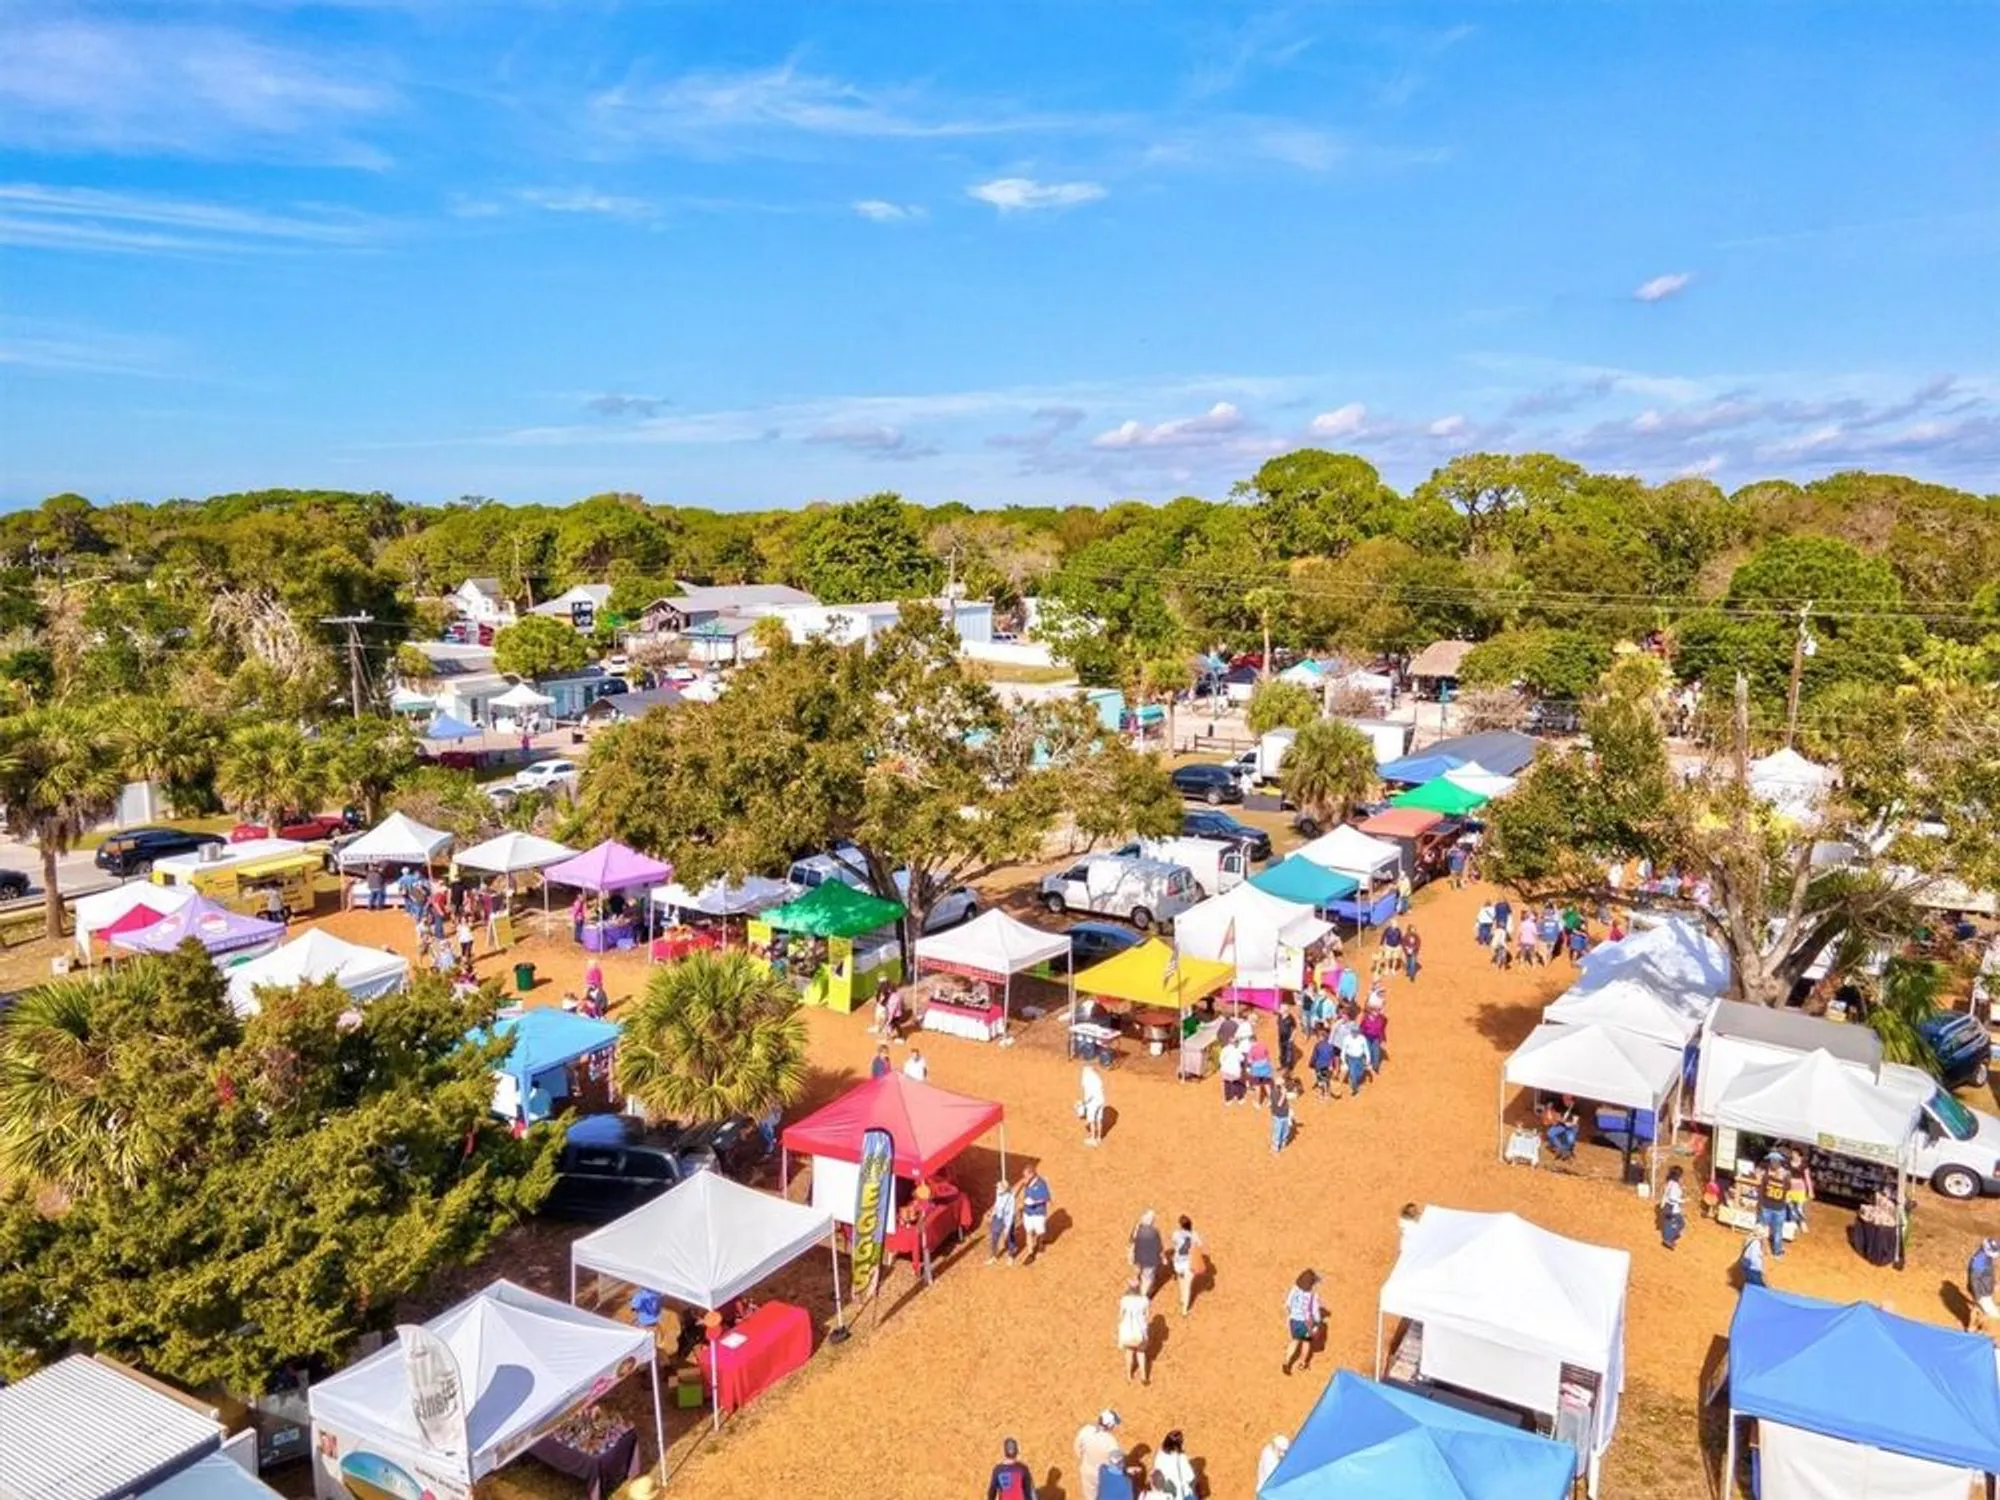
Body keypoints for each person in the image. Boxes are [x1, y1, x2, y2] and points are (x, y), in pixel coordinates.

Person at [1282, 1269, 1325, 1375]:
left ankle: (1286, 1361)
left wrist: (1292, 1315)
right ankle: (1302, 1363)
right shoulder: (1313, 1296)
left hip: (1294, 1321)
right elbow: (1315, 1313)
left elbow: (1287, 1305)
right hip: (1306, 1323)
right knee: (1306, 1342)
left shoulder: (1294, 1289)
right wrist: (1318, 1324)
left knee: (1295, 1341)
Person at [1074, 1412, 1124, 1500]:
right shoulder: (1111, 1443)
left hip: (1087, 1471)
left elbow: (1077, 1448)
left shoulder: (1086, 1430)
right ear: (1109, 1425)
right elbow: (1117, 1467)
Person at [1117, 1277, 1151, 1384]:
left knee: (1129, 1353)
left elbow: (1120, 1316)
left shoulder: (1124, 1300)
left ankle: (1129, 1376)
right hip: (1139, 1332)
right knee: (1141, 1352)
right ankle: (1144, 1376)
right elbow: (1147, 1316)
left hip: (1127, 1331)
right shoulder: (1144, 1300)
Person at [1757, 1152, 1791, 1256]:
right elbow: (1788, 1191)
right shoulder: (1786, 1178)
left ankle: (1763, 1249)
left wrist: (1760, 1203)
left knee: (1763, 1228)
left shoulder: (1766, 1177)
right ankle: (1777, 1252)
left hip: (1766, 1205)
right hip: (1779, 1207)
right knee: (1778, 1231)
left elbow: (1761, 1191)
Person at [1170, 1215, 1203, 1316]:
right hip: (1189, 1263)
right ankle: (1184, 1309)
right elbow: (1200, 1244)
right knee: (1187, 1286)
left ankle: (1182, 1299)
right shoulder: (1194, 1234)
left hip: (1178, 1263)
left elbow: (1174, 1243)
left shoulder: (1176, 1234)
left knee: (1181, 1281)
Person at [1148, 1430, 1195, 1499]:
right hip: (1181, 1495)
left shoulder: (1159, 1456)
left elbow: (1155, 1478)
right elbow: (1190, 1477)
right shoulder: (1181, 1457)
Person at [1019, 1166, 1052, 1265]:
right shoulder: (1026, 1183)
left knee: (1040, 1232)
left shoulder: (1042, 1183)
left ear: (1032, 1174)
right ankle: (1030, 1253)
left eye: (1026, 1175)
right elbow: (1024, 1194)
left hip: (1038, 1213)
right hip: (1027, 1212)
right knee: (1028, 1232)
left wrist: (1034, 1202)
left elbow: (1047, 1198)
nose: (1024, 1177)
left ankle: (1041, 1242)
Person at [1336, 1011, 1373, 1096]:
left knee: (1359, 1073)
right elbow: (1343, 1051)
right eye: (1353, 1031)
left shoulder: (1362, 1038)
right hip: (1351, 1058)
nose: (1355, 1033)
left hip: (1359, 1059)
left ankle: (1354, 1079)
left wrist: (1368, 1060)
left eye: (1356, 1031)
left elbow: (1366, 1049)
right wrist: (1344, 1062)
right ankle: (1355, 1089)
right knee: (1353, 1074)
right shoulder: (1347, 1039)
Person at [1967, 1237, 1999, 1332]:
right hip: (1981, 1292)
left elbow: (1987, 1273)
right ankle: (1979, 1330)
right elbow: (1974, 1281)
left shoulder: (1985, 1255)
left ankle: (1971, 1328)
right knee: (1993, 1315)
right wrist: (1978, 1296)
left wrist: (1993, 1284)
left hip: (1985, 1288)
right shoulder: (1978, 1263)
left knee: (1977, 1307)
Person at [1130, 1209, 1164, 1296]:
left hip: (1138, 1256)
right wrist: (1163, 1257)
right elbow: (1159, 1246)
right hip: (1150, 1259)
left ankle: (1135, 1283)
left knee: (1138, 1270)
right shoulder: (1154, 1232)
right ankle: (1143, 1295)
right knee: (1147, 1278)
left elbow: (1132, 1241)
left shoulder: (1137, 1229)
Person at [987, 1174, 1018, 1264]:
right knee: (994, 1236)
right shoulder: (998, 1193)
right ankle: (993, 1256)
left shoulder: (1011, 1198)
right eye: (998, 1188)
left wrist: (1007, 1227)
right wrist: (992, 1213)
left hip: (1007, 1219)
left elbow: (1011, 1212)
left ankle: (1011, 1256)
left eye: (999, 1188)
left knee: (1009, 1237)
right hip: (998, 1217)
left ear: (1005, 1190)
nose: (997, 1189)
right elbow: (997, 1204)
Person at [1785, 1148, 1813, 1232]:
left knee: (1799, 1208)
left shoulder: (1804, 1166)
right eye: (1793, 1153)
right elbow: (1786, 1175)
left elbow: (1807, 1179)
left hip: (1800, 1189)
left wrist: (1810, 1191)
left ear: (1800, 1155)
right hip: (1790, 1188)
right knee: (1790, 1206)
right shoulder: (1788, 1163)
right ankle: (1793, 1224)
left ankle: (1802, 1222)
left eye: (1795, 1154)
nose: (1793, 1155)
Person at [1542, 1096, 1578, 1160]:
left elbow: (1574, 1122)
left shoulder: (1576, 1109)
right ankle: (1562, 1150)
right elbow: (1557, 1117)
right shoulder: (1561, 1106)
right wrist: (1562, 1122)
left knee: (1570, 1139)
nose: (1565, 1101)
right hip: (1562, 1125)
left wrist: (1569, 1124)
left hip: (1571, 1127)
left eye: (1567, 1100)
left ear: (1572, 1102)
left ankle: (1565, 1151)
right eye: (1565, 1100)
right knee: (1550, 1133)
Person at [1080, 1063, 1107, 1145]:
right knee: (1099, 1119)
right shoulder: (1097, 1077)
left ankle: (1093, 1139)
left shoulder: (1086, 1078)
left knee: (1091, 1120)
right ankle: (1099, 1138)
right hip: (1101, 1100)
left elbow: (1088, 1094)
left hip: (1093, 1102)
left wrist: (1084, 1103)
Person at [1660, 1165, 1687, 1250]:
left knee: (1670, 1224)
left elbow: (1665, 1193)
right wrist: (1682, 1200)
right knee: (1680, 1223)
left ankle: (1668, 1239)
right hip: (1672, 1208)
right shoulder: (1674, 1185)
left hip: (1668, 1207)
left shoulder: (1670, 1182)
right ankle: (1668, 1239)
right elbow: (1672, 1197)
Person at [1246, 1031, 1274, 1109]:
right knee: (1267, 1085)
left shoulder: (1251, 1050)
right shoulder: (1263, 1045)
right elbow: (1268, 1056)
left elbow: (1250, 1061)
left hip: (1257, 1071)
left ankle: (1258, 1103)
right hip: (1265, 1068)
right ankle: (1271, 1100)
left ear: (1251, 1041)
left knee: (1257, 1086)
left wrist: (1249, 1069)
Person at [1218, 1032, 1247, 1107]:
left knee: (1227, 1084)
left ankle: (1228, 1100)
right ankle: (1240, 1099)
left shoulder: (1224, 1049)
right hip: (1234, 1070)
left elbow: (1220, 1059)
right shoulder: (1236, 1050)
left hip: (1225, 1070)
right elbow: (1242, 1059)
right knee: (1237, 1083)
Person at [1270, 1077, 1298, 1152]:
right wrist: (1284, 1094)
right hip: (1278, 1116)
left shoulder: (1282, 1091)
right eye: (1282, 1085)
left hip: (1285, 1114)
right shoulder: (1274, 1093)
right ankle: (1275, 1147)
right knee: (1277, 1132)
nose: (1283, 1086)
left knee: (1285, 1131)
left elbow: (1290, 1097)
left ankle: (1283, 1143)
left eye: (1283, 1084)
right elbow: (1279, 1104)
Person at [1360, 1004, 1388, 1073]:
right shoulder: (1365, 1020)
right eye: (1375, 1011)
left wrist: (1383, 1039)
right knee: (1368, 1050)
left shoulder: (1380, 1019)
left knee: (1376, 1051)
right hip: (1367, 1037)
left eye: (1378, 1011)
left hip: (1376, 1038)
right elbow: (1361, 1028)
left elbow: (1384, 1023)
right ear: (1371, 1012)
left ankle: (1375, 1066)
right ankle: (1368, 1064)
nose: (1377, 1013)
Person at [1310, 1026, 1336, 1098]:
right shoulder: (1331, 1046)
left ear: (1321, 1037)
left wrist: (1311, 1064)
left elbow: (1314, 1056)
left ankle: (1322, 1094)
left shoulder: (1317, 1045)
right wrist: (1332, 1065)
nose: (1318, 1038)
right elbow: (1333, 1057)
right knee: (1327, 1080)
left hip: (1319, 1066)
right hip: (1327, 1066)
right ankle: (1327, 1094)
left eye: (1318, 1037)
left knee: (1320, 1080)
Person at [1740, 1223, 1769, 1288]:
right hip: (1753, 1269)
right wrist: (1761, 1269)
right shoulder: (1756, 1244)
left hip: (1747, 1267)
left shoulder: (1749, 1239)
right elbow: (1754, 1260)